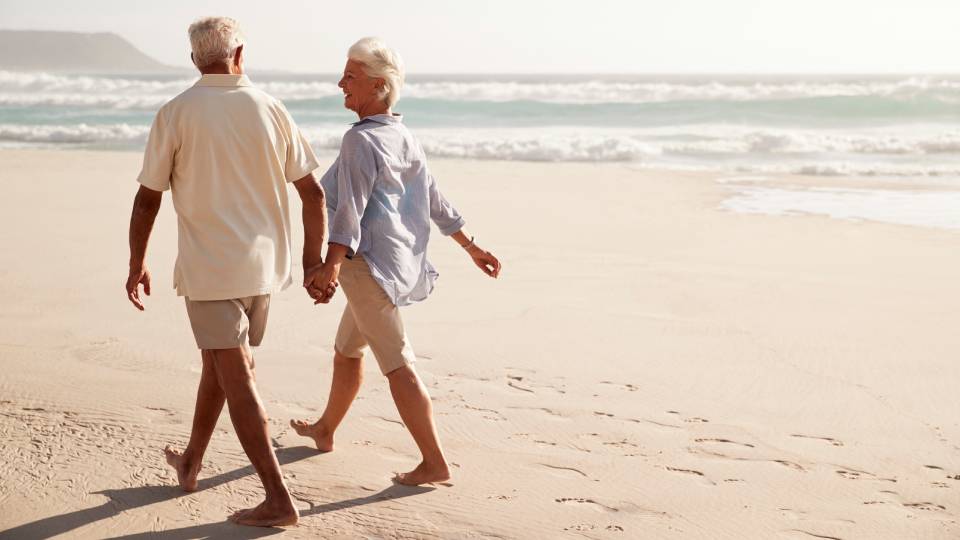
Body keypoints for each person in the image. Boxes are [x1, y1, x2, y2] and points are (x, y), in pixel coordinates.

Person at [124, 16, 333, 527]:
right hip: (264, 272)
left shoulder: (175, 113)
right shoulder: (272, 108)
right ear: (240, 53)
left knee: (236, 377)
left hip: (210, 271)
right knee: (220, 366)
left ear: (195, 60)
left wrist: (136, 262)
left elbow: (148, 199)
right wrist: (311, 263)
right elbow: (314, 194)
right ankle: (192, 462)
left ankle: (279, 500)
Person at [291, 37, 502, 486]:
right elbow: (433, 200)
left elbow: (349, 210)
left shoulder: (359, 140)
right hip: (383, 262)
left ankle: (433, 461)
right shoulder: (404, 134)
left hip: (365, 266)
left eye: (351, 76)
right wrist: (471, 246)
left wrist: (329, 265)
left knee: (397, 363)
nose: (340, 83)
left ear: (379, 86)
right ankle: (326, 429)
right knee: (347, 350)